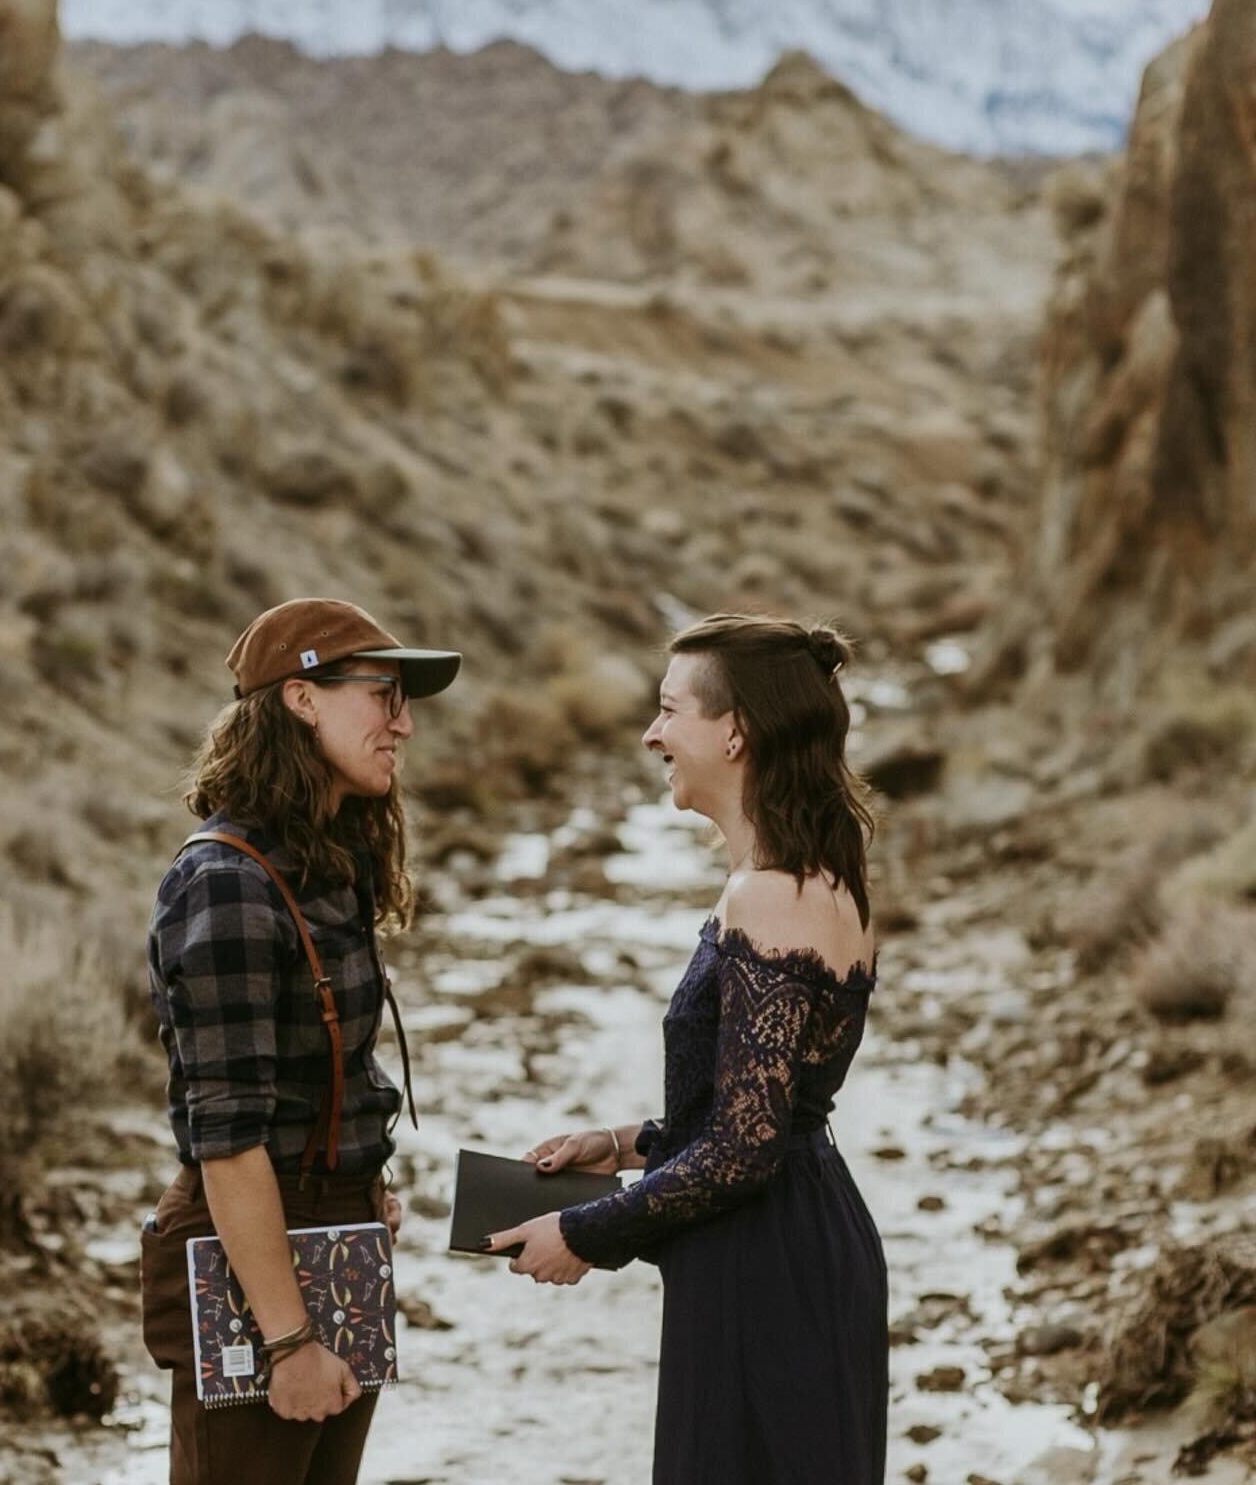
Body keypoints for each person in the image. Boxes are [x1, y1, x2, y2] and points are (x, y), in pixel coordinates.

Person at [486, 612, 887, 1484]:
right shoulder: (797, 873)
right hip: (775, 1241)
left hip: (769, 1263)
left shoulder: (774, 892)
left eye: (670, 712)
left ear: (736, 730)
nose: (650, 733)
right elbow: (752, 1107)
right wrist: (623, 1146)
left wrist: (587, 1231)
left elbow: (749, 1146)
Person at [140, 597, 460, 1485]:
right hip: (260, 1261)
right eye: (382, 695)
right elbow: (228, 1137)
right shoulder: (227, 885)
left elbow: (327, 1069)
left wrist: (359, 1180)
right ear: (302, 699)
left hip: (335, 1232)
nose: (402, 723)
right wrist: (286, 1342)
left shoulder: (327, 862)